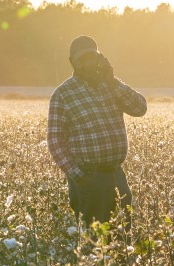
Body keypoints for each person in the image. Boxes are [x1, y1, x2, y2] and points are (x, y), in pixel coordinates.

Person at [48, 35, 148, 229]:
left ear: (99, 57)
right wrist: (78, 176)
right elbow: (55, 141)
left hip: (116, 174)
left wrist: (113, 81)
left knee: (122, 238)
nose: (87, 63)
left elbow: (140, 109)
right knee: (93, 242)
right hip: (88, 178)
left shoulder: (109, 85)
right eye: (81, 59)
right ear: (72, 62)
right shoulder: (62, 94)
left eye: (91, 57)